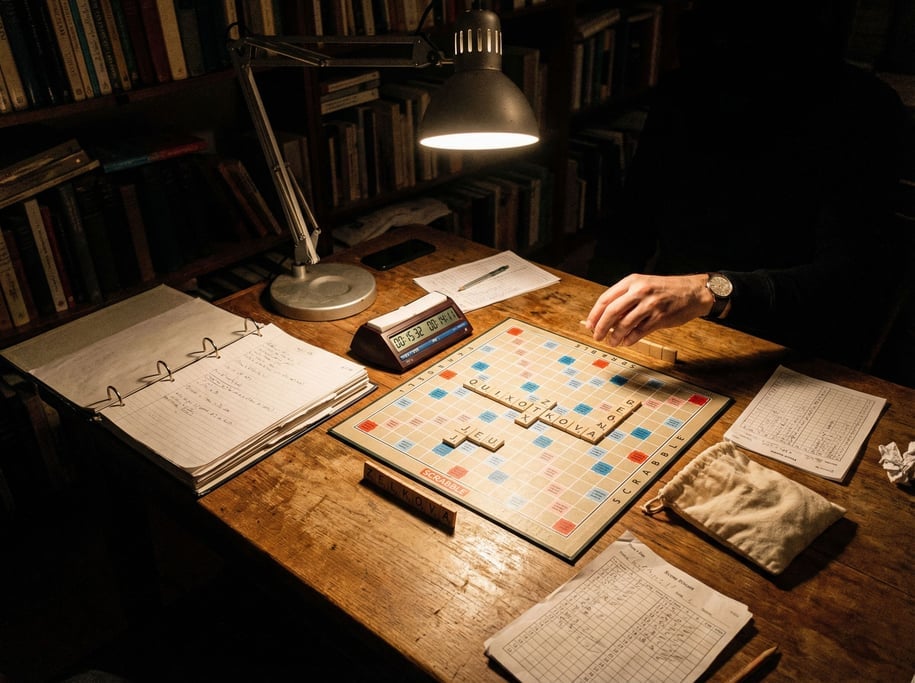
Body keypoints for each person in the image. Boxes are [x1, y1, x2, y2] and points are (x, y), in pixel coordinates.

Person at [584, 0, 909, 369]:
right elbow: (628, 226)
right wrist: (595, 313)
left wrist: (707, 290)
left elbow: (847, 279)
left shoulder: (862, 109)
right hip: (678, 333)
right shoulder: (686, 91)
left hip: (794, 347)